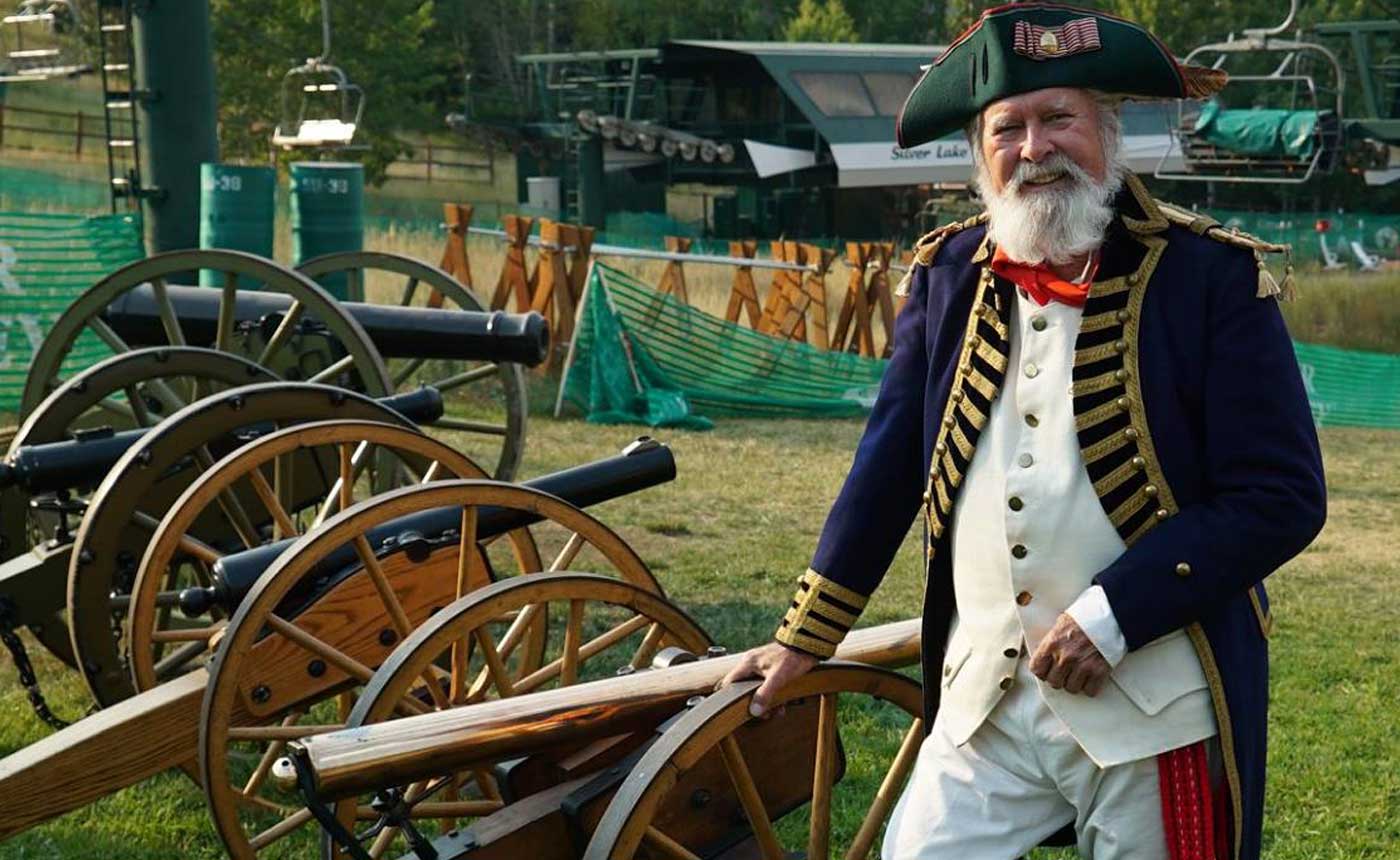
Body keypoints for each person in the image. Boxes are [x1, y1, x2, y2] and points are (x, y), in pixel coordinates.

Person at [721, 4, 1327, 859]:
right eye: (1008, 128)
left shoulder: (1211, 279)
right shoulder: (945, 275)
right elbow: (888, 469)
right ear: (980, 153)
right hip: (985, 703)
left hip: (1156, 708)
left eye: (1059, 119)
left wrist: (1116, 615)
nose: (1035, 149)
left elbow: (1281, 497)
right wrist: (803, 636)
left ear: (1107, 135)